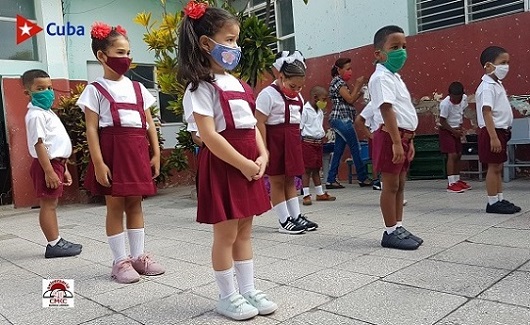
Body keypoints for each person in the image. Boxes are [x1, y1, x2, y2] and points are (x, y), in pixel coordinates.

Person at [177, 1, 277, 320]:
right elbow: (209, 135)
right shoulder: (200, 87)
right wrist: (244, 163)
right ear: (207, 44)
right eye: (229, 39)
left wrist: (261, 153)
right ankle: (227, 295)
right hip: (225, 164)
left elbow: (251, 126)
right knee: (226, 234)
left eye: (237, 40)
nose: (235, 47)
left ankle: (248, 289)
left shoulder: (240, 84)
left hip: (248, 161)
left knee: (245, 231)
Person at [77, 22, 165, 283]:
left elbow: (150, 124)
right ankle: (120, 261)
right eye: (119, 53)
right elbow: (91, 129)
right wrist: (99, 162)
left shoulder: (138, 88)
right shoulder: (95, 90)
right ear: (102, 56)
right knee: (115, 205)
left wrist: (156, 153)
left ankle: (138, 257)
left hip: (137, 150)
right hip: (113, 151)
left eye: (128, 53)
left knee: (135, 203)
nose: (126, 58)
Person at [368, 25, 423, 250]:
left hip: (403, 137)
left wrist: (410, 141)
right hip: (392, 136)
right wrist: (397, 143)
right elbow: (387, 111)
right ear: (379, 53)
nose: (401, 51)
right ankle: (390, 231)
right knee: (390, 185)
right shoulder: (381, 78)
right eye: (394, 47)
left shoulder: (394, 77)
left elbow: (405, 110)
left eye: (404, 46)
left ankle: (398, 226)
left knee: (400, 185)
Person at [255, 50, 318, 235]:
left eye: (300, 87)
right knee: (277, 181)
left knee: (291, 179)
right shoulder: (268, 95)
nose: (297, 91)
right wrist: (264, 149)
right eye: (292, 86)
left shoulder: (297, 97)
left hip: (291, 141)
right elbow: (259, 122)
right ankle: (284, 221)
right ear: (281, 76)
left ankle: (296, 216)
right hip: (274, 140)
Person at [22, 69, 82, 259]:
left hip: (55, 164)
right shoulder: (36, 115)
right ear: (27, 92)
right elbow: (38, 144)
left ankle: (57, 240)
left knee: (52, 203)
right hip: (46, 165)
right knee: (48, 204)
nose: (47, 92)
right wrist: (49, 171)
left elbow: (53, 143)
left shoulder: (46, 113)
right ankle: (53, 244)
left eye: (49, 87)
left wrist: (63, 169)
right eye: (40, 88)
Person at [475, 46, 521, 214]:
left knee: (498, 167)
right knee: (493, 167)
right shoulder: (487, 87)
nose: (506, 66)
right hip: (491, 132)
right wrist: (493, 137)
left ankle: (500, 198)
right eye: (502, 63)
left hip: (500, 131)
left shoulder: (497, 84)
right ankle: (492, 202)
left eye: (508, 62)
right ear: (488, 66)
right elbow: (486, 112)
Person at [325, 58, 371, 189]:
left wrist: (360, 92)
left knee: (338, 150)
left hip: (342, 119)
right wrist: (357, 85)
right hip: (342, 119)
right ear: (339, 70)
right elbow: (350, 99)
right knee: (355, 146)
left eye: (351, 69)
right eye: (348, 69)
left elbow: (350, 100)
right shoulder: (338, 82)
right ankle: (362, 178)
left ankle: (331, 179)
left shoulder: (341, 83)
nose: (350, 71)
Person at [300, 86, 336, 206]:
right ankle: (305, 194)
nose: (325, 102)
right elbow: (300, 128)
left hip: (318, 143)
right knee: (307, 169)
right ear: (315, 98)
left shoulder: (319, 111)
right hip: (307, 142)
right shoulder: (305, 110)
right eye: (323, 99)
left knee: (316, 168)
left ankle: (320, 193)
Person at [438, 81, 471, 193]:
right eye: (454, 98)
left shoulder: (464, 99)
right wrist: (453, 131)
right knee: (451, 155)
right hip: (446, 130)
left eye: (459, 98)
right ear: (449, 95)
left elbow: (460, 113)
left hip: (456, 129)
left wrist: (460, 129)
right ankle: (451, 183)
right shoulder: (445, 104)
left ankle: (457, 180)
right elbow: (442, 121)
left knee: (458, 154)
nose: (457, 100)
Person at [355, 101, 383, 190]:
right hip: (376, 133)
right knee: (376, 159)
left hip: (389, 134)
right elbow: (361, 121)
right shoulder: (372, 104)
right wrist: (370, 135)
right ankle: (376, 181)